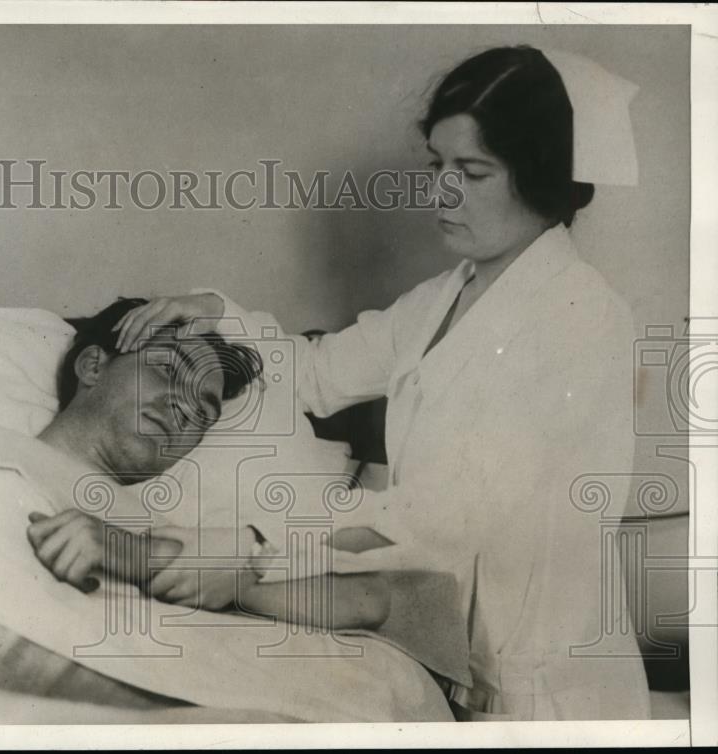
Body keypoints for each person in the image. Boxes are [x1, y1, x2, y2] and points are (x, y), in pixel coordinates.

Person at [99, 46, 652, 720]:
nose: (441, 192)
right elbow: (317, 374)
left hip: (542, 690)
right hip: (454, 652)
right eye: (438, 166)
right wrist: (221, 313)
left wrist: (254, 549)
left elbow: (443, 521)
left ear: (539, 174)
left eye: (472, 172)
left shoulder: (583, 319)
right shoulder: (446, 295)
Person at [28, 297, 394, 630]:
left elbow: (367, 600)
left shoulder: (165, 524)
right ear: (92, 366)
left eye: (203, 411)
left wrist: (141, 557)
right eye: (167, 371)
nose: (185, 408)